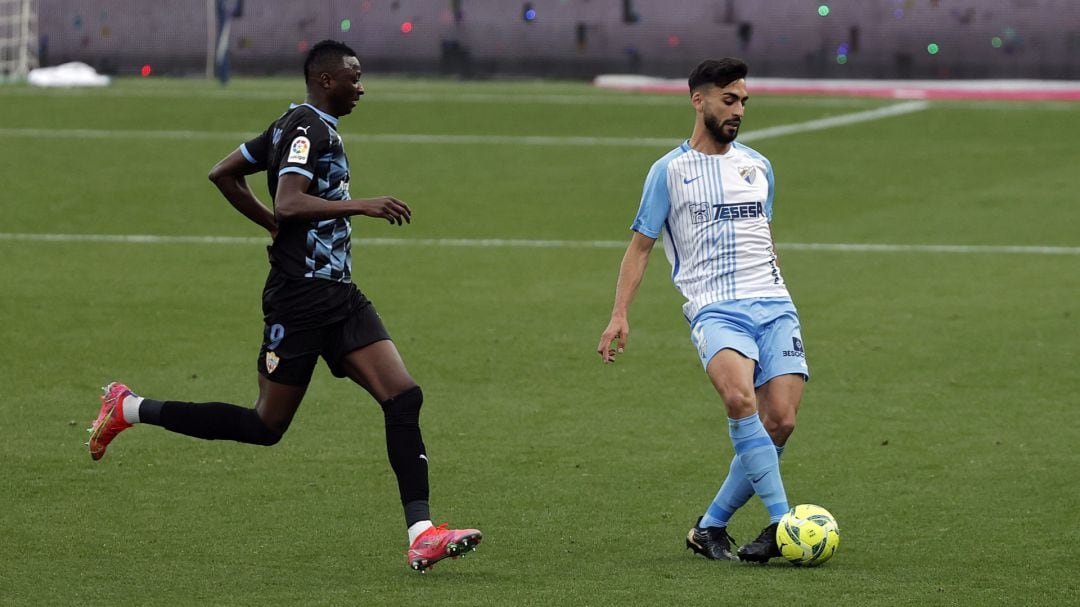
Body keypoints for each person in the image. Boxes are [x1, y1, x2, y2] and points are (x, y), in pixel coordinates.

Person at [87, 40, 481, 573]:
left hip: (339, 295)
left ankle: (422, 534)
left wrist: (273, 226)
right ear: (325, 80)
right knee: (265, 426)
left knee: (403, 396)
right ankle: (129, 408)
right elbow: (289, 201)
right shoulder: (306, 129)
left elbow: (225, 173)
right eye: (353, 77)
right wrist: (356, 206)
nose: (361, 87)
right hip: (299, 300)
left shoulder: (293, 125)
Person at [596, 58, 809, 563]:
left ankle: (709, 527)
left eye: (743, 102)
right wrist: (620, 313)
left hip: (775, 305)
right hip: (716, 308)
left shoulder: (758, 166)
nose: (737, 111)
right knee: (740, 401)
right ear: (699, 100)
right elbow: (641, 246)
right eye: (728, 100)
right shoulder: (669, 172)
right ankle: (784, 523)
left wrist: (778, 288)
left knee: (780, 422)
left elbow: (764, 234)